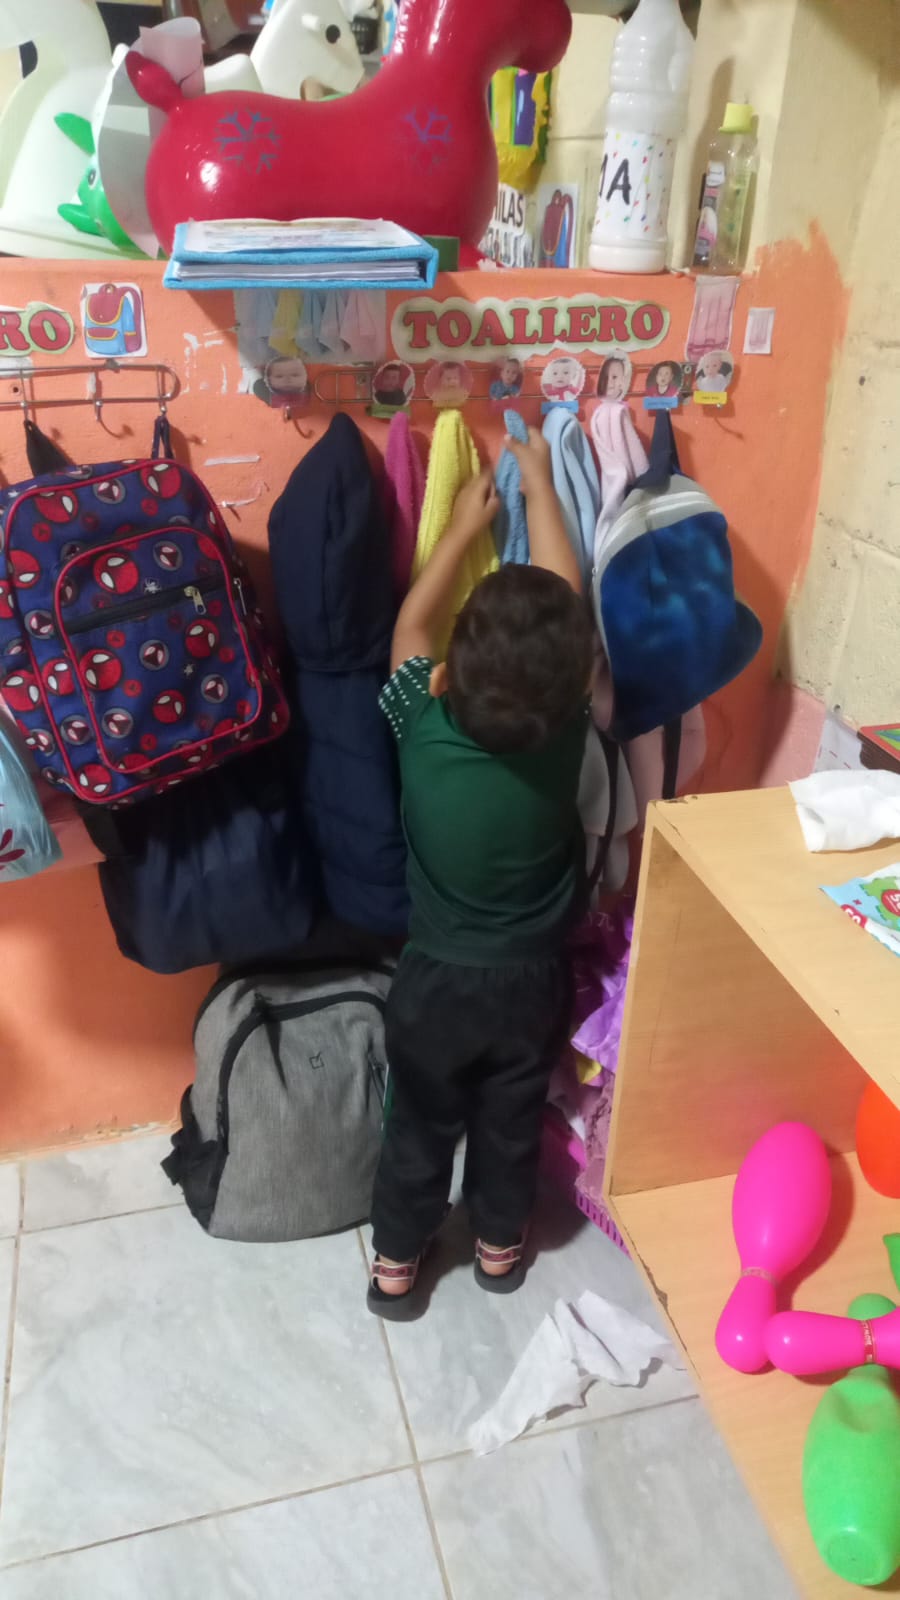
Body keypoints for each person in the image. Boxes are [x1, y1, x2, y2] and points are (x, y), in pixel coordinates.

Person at [368, 428, 593, 1320]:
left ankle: (396, 1265)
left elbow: (408, 628)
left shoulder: (419, 723)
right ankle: (500, 1247)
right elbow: (568, 597)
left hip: (433, 982)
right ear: (572, 680)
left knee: (418, 1122)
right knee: (511, 1116)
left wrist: (463, 529)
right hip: (531, 981)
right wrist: (540, 480)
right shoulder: (564, 729)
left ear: (448, 671)